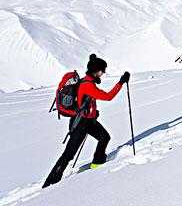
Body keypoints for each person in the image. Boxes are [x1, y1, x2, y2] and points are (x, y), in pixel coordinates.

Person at [43, 54, 130, 188]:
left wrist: (93, 113)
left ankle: (98, 163)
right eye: (102, 71)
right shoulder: (88, 85)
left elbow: (87, 102)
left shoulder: (87, 80)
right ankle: (50, 183)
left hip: (88, 121)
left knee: (104, 137)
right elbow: (108, 97)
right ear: (96, 71)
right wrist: (120, 83)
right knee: (68, 154)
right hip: (80, 124)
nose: (103, 73)